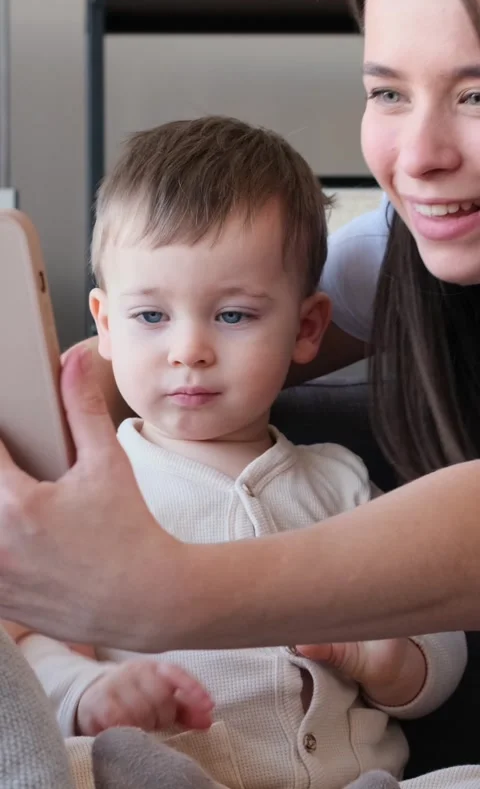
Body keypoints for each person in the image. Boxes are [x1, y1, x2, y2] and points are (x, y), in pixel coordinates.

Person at [2, 0, 480, 683]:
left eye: (476, 93)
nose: (419, 156)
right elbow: (128, 355)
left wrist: (160, 595)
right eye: (388, 92)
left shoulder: (334, 482)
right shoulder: (408, 245)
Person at [19, 117, 466, 788]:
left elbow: (442, 643)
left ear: (307, 327)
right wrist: (88, 689)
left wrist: (381, 656)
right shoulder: (95, 484)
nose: (189, 349)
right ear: (105, 324)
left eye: (233, 315)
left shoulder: (339, 480)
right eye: (151, 316)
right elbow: (30, 646)